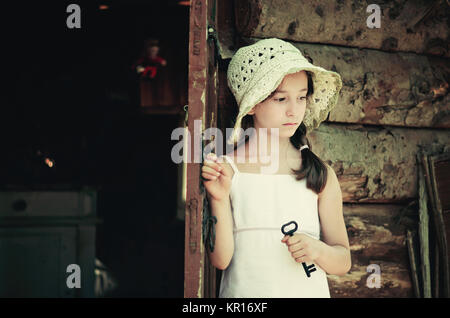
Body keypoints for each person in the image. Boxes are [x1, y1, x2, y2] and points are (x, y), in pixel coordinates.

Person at [201, 38, 351, 298]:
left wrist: (317, 250)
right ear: (253, 105)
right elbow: (221, 260)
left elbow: (343, 260)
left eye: (302, 97)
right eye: (281, 99)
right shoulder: (228, 172)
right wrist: (218, 197)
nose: (294, 111)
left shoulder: (319, 174)